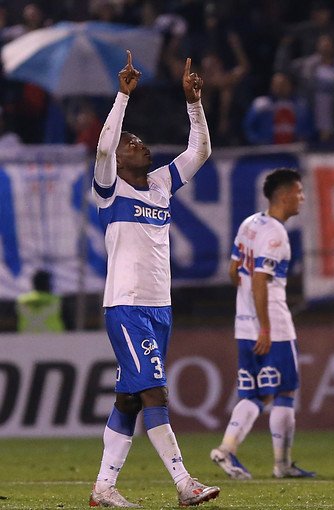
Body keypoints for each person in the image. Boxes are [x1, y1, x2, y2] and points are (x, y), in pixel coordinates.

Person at [89, 51, 219, 507]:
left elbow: (200, 151)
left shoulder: (161, 184)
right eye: (133, 143)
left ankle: (104, 488)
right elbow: (104, 147)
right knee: (153, 391)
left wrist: (193, 103)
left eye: (141, 140)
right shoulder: (110, 188)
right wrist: (123, 97)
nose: (140, 145)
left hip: (159, 307)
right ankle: (185, 484)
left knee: (128, 400)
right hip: (125, 304)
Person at [210, 168, 315, 480]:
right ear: (283, 196)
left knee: (254, 394)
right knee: (285, 390)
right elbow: (259, 282)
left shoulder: (249, 224)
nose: (302, 197)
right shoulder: (275, 234)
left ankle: (226, 449)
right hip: (273, 326)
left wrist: (247, 308)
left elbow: (233, 271)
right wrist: (266, 328)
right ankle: (281, 464)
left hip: (243, 325)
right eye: (298, 192)